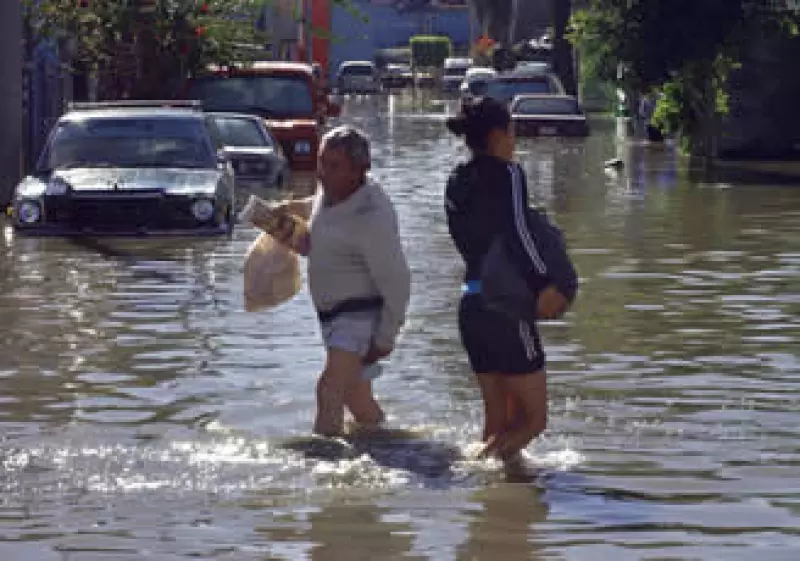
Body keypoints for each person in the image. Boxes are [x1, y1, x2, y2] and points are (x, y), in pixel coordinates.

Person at [444, 96, 578, 462]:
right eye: (512, 130)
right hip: (505, 312)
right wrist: (543, 284)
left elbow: (468, 242)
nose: (515, 139)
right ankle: (478, 474)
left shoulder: (456, 180)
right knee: (534, 421)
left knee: (498, 423)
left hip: (470, 306)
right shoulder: (508, 174)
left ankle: (496, 506)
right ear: (498, 134)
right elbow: (518, 232)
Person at [271, 125, 411, 437]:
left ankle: (326, 466)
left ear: (360, 169)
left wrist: (386, 339)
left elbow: (398, 281)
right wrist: (288, 211)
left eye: (333, 166)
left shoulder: (373, 217)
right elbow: (319, 211)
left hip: (359, 318)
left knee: (329, 391)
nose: (322, 173)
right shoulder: (332, 193)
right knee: (357, 401)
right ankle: (399, 449)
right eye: (321, 162)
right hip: (334, 318)